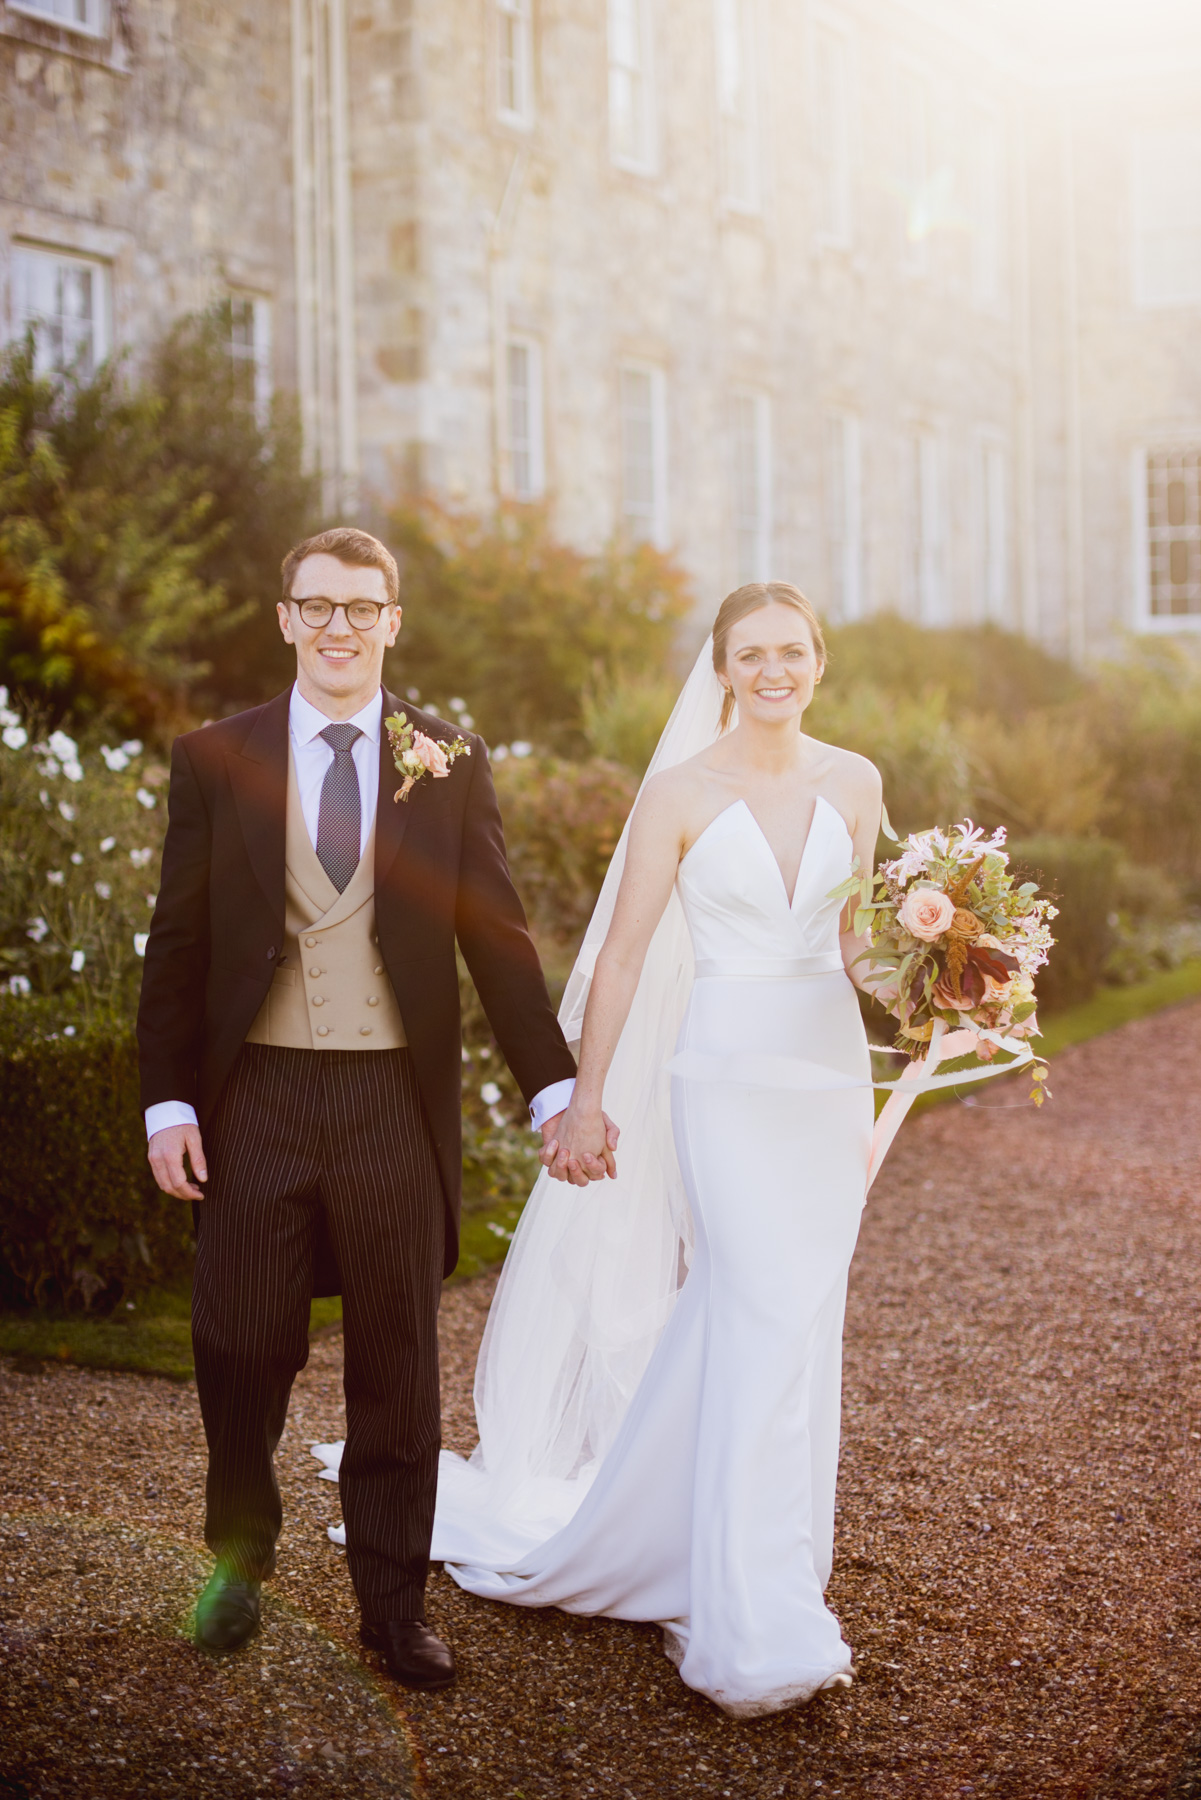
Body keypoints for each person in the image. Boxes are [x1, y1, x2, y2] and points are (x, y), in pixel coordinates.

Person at [137, 526, 594, 1689]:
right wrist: (167, 1104)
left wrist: (554, 1086)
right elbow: (177, 949)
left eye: (362, 606)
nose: (339, 626)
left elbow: (497, 940)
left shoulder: (445, 760)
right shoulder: (213, 758)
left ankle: (393, 1609)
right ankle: (237, 1564)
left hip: (391, 1096)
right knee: (238, 1343)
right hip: (260, 1095)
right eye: (317, 605)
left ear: (393, 622)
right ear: (284, 617)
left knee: (396, 1364)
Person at [428, 581, 884, 1718]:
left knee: (789, 1313)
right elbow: (623, 959)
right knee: (760, 1299)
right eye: (750, 653)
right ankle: (740, 1605)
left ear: (817, 661)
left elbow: (857, 944)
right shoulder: (679, 791)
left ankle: (745, 1555)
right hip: (723, 1078)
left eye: (791, 651)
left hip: (826, 1074)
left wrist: (960, 975)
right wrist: (585, 1101)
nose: (772, 670)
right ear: (722, 669)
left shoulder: (857, 780)